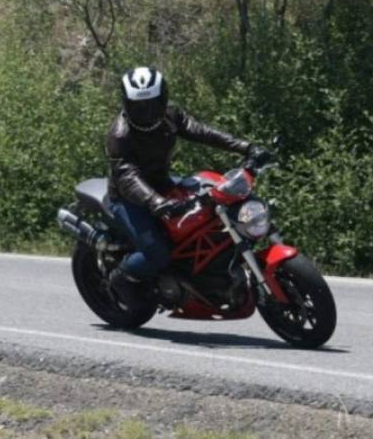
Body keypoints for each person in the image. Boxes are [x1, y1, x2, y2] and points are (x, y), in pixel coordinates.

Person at [105, 66, 270, 310]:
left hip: (163, 185)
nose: (147, 112)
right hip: (129, 199)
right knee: (158, 254)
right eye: (139, 106)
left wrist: (245, 147)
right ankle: (120, 277)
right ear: (127, 103)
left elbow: (202, 131)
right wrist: (155, 202)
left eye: (152, 103)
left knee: (213, 214)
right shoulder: (120, 135)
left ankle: (208, 276)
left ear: (163, 98)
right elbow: (127, 176)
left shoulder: (171, 115)